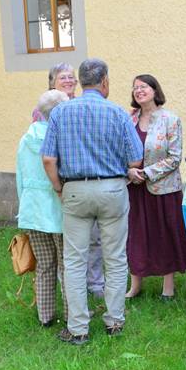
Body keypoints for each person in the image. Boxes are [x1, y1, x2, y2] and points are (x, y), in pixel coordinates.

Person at [41, 58, 143, 344]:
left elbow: (49, 158)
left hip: (74, 188)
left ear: (82, 81)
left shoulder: (61, 113)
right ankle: (114, 321)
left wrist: (59, 188)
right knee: (115, 257)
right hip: (112, 189)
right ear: (105, 82)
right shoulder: (119, 113)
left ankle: (78, 328)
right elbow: (135, 157)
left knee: (74, 260)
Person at [125, 74, 186, 298]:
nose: (139, 90)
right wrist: (128, 171)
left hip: (163, 188)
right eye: (135, 87)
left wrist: (146, 173)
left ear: (155, 90)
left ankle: (168, 286)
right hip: (134, 188)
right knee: (135, 235)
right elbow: (120, 149)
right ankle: (135, 284)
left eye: (144, 86)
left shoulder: (170, 119)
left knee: (164, 234)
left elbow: (175, 157)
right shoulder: (129, 119)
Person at [16, 89, 71, 326]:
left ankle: (45, 316)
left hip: (32, 209)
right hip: (57, 207)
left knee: (45, 264)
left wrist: (23, 207)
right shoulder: (61, 137)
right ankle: (72, 314)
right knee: (67, 265)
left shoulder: (26, 137)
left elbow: (20, 176)